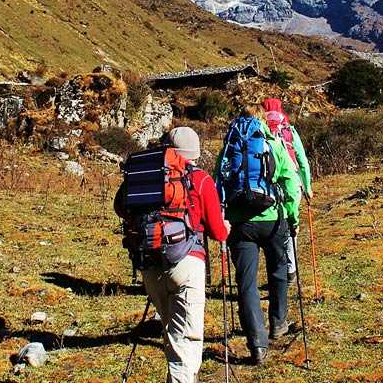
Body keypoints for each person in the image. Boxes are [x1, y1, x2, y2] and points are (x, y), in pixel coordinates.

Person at [115, 127, 230, 383]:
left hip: (149, 262)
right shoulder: (200, 179)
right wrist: (225, 227)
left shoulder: (144, 174)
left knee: (172, 331)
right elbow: (218, 232)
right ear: (195, 153)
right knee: (187, 338)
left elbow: (120, 207)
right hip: (187, 263)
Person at [217, 107, 301, 364]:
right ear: (261, 121)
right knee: (278, 271)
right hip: (272, 218)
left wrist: (223, 219)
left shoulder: (229, 146)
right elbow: (289, 178)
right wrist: (292, 216)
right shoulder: (271, 143)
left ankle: (257, 345)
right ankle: (278, 323)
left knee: (246, 283)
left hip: (240, 224)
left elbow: (219, 183)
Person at [262, 98, 312, 284]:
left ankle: (277, 270)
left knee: (275, 226)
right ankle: (290, 269)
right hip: (292, 183)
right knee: (291, 225)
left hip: (268, 186)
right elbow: (302, 160)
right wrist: (307, 186)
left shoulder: (260, 129)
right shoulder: (289, 130)